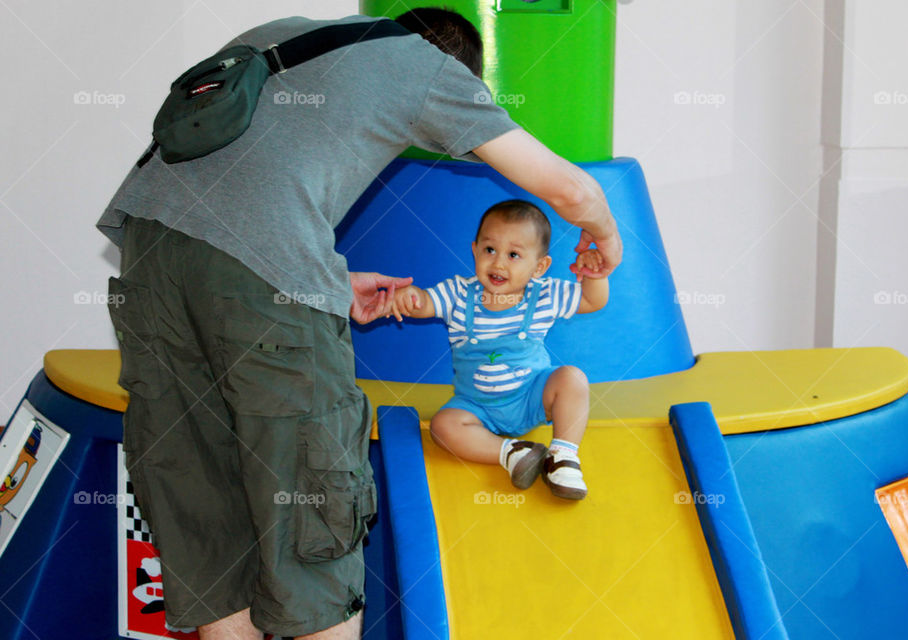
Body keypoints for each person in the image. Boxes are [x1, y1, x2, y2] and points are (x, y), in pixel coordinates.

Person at [97, 8, 622, 640]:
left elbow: (234, 187)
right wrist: (606, 237)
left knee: (201, 501)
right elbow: (567, 189)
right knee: (313, 499)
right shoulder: (429, 68)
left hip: (147, 257)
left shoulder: (289, 32)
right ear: (462, 68)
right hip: (255, 277)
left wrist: (329, 281)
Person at [390, 200, 608, 500]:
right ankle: (513, 453)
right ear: (474, 249)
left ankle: (563, 455)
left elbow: (592, 301)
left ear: (539, 267)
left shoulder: (544, 294)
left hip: (533, 397)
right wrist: (409, 297)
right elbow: (425, 302)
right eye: (489, 250)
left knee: (572, 378)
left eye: (514, 255)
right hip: (476, 407)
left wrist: (596, 274)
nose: (498, 263)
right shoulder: (458, 294)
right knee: (442, 427)